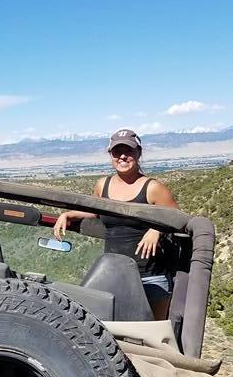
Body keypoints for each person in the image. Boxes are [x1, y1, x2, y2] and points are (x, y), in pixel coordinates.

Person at [54, 128, 180, 320]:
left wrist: (156, 229)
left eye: (128, 151)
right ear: (110, 155)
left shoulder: (153, 188)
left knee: (151, 333)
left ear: (138, 152)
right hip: (113, 276)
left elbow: (179, 219)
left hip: (149, 277)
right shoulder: (102, 185)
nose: (122, 156)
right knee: (106, 330)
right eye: (117, 151)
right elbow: (96, 211)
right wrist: (69, 214)